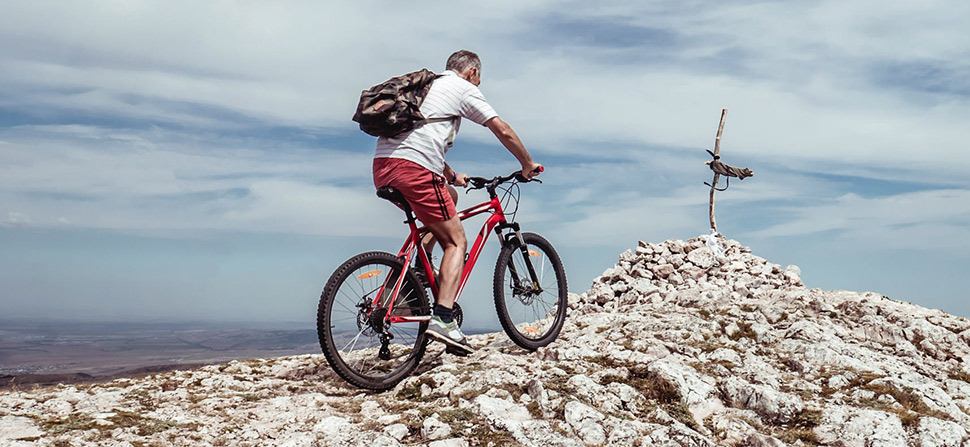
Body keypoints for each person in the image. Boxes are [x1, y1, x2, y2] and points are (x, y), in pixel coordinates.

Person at [372, 50, 542, 355]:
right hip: (415, 169)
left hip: (384, 168)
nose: (479, 84)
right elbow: (501, 129)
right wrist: (527, 163)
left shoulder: (426, 88)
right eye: (479, 78)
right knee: (456, 242)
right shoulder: (462, 87)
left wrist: (451, 175)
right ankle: (443, 319)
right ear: (472, 72)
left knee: (448, 197)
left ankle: (420, 269)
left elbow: (418, 140)